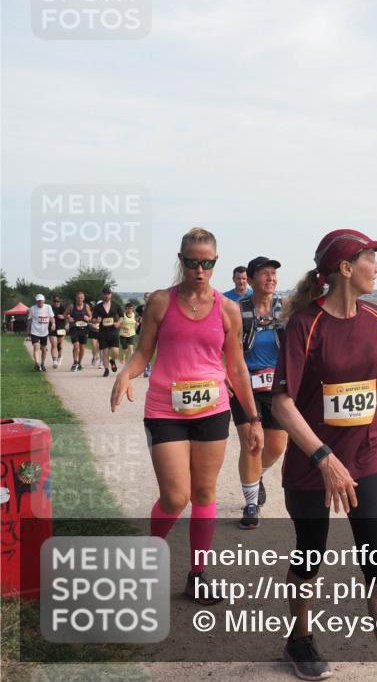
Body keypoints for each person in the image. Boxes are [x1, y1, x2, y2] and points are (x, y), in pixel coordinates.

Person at [272, 229, 377, 682]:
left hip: (365, 457)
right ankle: (299, 638)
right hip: (313, 463)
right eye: (372, 259)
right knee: (310, 555)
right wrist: (323, 458)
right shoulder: (304, 325)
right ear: (345, 269)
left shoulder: (376, 317)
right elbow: (280, 402)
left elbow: (372, 380)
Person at [111, 227, 262, 605]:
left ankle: (198, 574)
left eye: (207, 262)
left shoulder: (228, 310)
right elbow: (144, 352)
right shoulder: (161, 302)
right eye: (193, 262)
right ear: (182, 261)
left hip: (212, 408)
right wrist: (125, 373)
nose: (200, 269)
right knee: (176, 497)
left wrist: (254, 418)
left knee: (205, 492)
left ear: (215, 263)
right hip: (166, 409)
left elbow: (237, 368)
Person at [232, 256, 289, 529]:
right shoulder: (237, 310)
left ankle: (257, 476)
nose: (271, 278)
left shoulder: (286, 307)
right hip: (245, 384)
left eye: (274, 274)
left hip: (276, 385)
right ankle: (251, 503)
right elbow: (225, 349)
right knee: (253, 443)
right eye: (265, 274)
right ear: (252, 280)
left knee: (276, 445)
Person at [93, 287, 124, 378]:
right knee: (105, 353)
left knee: (115, 352)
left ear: (111, 295)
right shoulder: (98, 307)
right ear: (102, 295)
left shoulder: (115, 305)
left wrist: (118, 323)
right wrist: (96, 320)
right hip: (103, 332)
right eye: (105, 294)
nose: (107, 295)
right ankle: (106, 370)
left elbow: (122, 316)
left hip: (113, 332)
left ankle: (113, 361)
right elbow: (93, 319)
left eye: (108, 293)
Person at [66, 291, 92, 372]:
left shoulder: (86, 306)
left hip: (84, 328)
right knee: (76, 345)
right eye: (78, 297)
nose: (80, 299)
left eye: (81, 298)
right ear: (76, 298)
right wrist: (68, 318)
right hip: (74, 328)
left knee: (82, 348)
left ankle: (79, 363)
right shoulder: (71, 306)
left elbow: (90, 316)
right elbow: (65, 314)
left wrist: (88, 318)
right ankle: (75, 362)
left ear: (83, 298)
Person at [28, 294, 54, 371]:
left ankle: (42, 364)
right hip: (35, 331)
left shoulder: (48, 307)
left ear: (44, 301)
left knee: (44, 349)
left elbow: (52, 317)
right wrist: (28, 329)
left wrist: (53, 324)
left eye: (41, 301)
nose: (40, 302)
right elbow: (29, 319)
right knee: (36, 347)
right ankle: (37, 363)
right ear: (36, 301)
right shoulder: (32, 308)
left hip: (44, 332)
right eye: (38, 301)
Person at [48, 295, 68, 368]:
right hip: (52, 328)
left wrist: (63, 316)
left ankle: (59, 357)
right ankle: (54, 361)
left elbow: (68, 316)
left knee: (59, 345)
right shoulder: (50, 308)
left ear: (60, 301)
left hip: (61, 328)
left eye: (58, 301)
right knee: (54, 344)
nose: (56, 303)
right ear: (52, 301)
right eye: (55, 301)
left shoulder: (63, 308)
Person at [136, 292, 152, 377]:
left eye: (149, 296)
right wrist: (138, 320)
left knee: (149, 349)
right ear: (144, 298)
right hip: (142, 330)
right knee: (142, 349)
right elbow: (138, 317)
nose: (147, 298)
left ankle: (148, 366)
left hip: (151, 330)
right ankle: (146, 366)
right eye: (146, 297)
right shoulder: (140, 308)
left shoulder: (155, 307)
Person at [88, 301, 101, 366]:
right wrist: (91, 324)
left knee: (98, 347)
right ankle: (95, 357)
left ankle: (96, 356)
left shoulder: (103, 313)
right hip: (93, 331)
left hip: (100, 332)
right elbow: (88, 321)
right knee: (94, 345)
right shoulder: (92, 313)